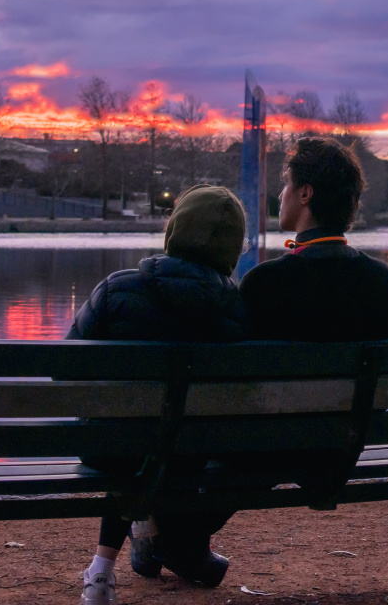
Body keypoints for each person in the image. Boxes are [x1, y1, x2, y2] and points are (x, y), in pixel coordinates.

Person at [69, 185, 248, 605]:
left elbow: (65, 371)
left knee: (131, 435)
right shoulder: (237, 311)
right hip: (190, 455)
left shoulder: (116, 291)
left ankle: (103, 570)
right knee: (165, 441)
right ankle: (166, 543)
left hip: (108, 449)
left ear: (174, 231)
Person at [239, 136, 388, 341]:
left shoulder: (263, 284)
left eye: (286, 183)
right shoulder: (385, 283)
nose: (281, 195)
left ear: (305, 193)